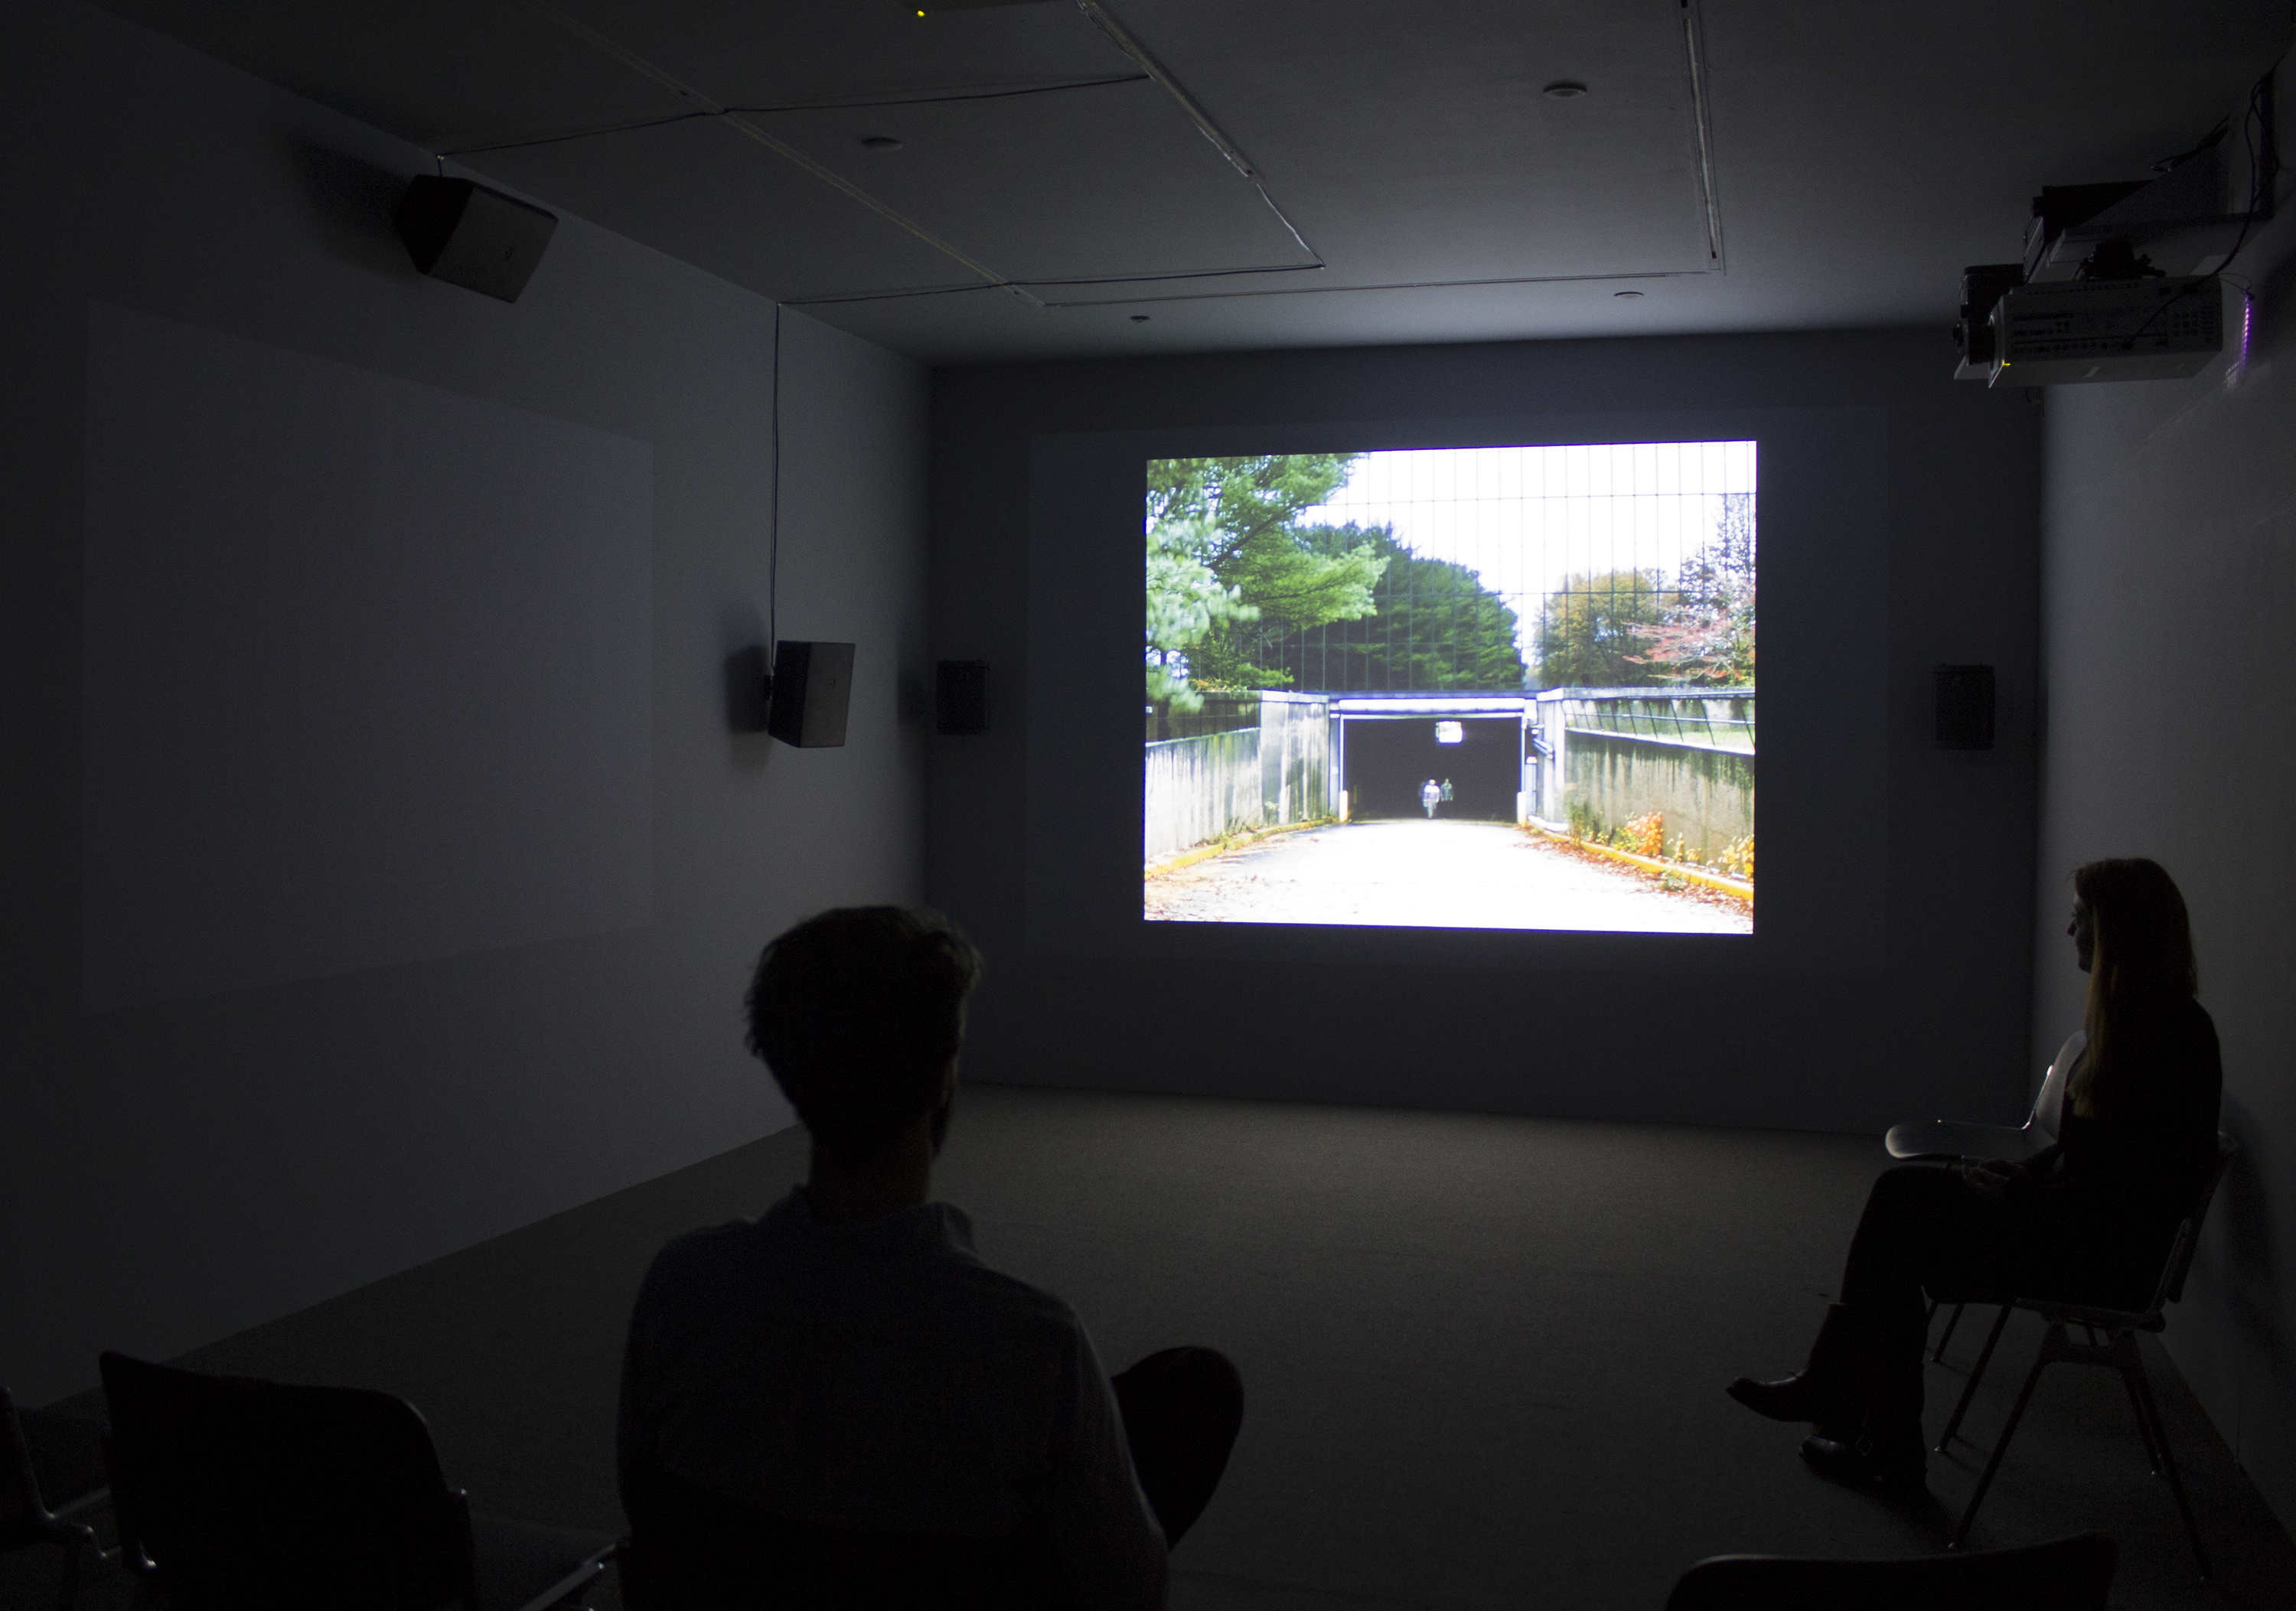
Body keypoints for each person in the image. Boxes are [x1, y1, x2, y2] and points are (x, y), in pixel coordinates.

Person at [617, 907, 1242, 1609]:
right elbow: (1132, 1588)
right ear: (943, 1076)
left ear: (789, 1070)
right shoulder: (1033, 1345)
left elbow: (647, 1502)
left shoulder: (681, 1289)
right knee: (1191, 1394)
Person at [1727, 857, 2221, 1487]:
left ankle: (1859, 1415)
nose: (2071, 933)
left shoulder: (2170, 1038)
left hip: (2100, 1259)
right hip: (2071, 1226)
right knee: (1899, 1206)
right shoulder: (2138, 1026)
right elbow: (2091, 1158)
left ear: (2118, 930)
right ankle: (1866, 1423)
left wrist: (2021, 1192)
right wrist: (2018, 1175)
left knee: (1899, 1220)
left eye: (2080, 920)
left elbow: (2131, 1194)